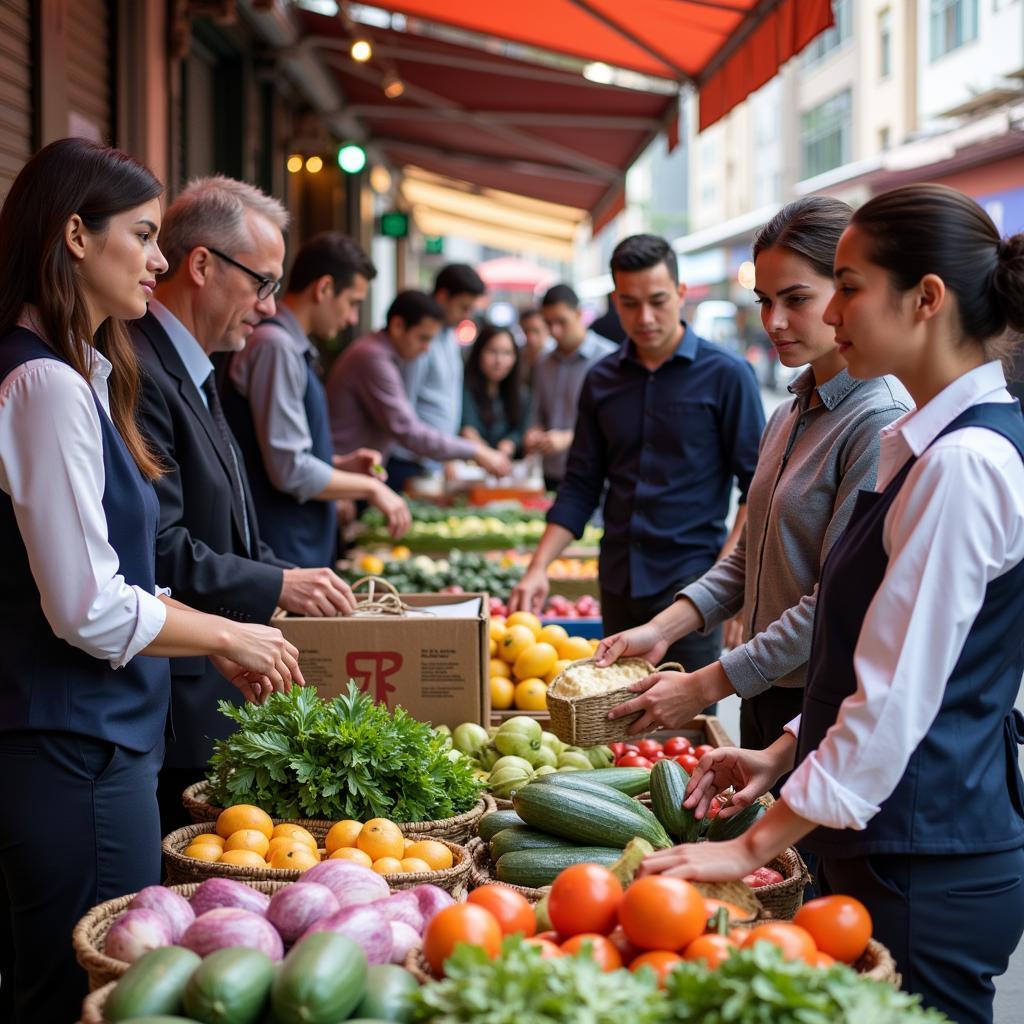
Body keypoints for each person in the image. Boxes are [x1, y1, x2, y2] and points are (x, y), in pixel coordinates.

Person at [643, 184, 1024, 1024]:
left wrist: (747, 848)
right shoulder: (923, 444)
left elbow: (894, 696)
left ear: (926, 298)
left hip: (927, 856)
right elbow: (879, 656)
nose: (828, 311)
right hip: (894, 840)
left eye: (845, 286)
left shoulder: (965, 464)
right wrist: (785, 750)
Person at [0, 139, 301, 1024]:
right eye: (142, 233)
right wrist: (226, 634)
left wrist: (210, 635)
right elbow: (86, 606)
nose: (161, 258)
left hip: (83, 741)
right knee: (89, 990)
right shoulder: (45, 384)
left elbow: (110, 576)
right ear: (77, 238)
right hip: (74, 748)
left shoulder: (81, 373)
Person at [595, 198, 911, 758]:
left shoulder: (878, 420)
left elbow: (836, 602)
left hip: (825, 709)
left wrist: (705, 683)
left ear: (847, 293)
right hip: (765, 694)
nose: (774, 322)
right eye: (765, 302)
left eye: (796, 299)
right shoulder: (788, 413)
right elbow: (747, 558)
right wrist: (662, 630)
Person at [129, 178, 346, 831]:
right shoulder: (140, 368)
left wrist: (277, 580)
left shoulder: (197, 365)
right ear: (201, 266)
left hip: (212, 679)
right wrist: (277, 580)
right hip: (177, 697)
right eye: (263, 282)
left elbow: (222, 521)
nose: (269, 306)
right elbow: (158, 546)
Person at [510, 236, 764, 676]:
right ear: (614, 302)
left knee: (684, 735)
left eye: (658, 301)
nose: (644, 318)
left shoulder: (727, 375)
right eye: (630, 304)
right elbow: (581, 484)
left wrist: (725, 581)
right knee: (617, 729)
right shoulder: (601, 379)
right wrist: (538, 567)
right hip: (617, 581)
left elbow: (757, 487)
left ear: (682, 294)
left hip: (692, 588)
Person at [221, 231, 409, 568]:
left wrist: (338, 464)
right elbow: (289, 469)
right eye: (352, 302)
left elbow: (279, 453)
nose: (353, 318)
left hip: (296, 542)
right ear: (323, 289)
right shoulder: (274, 346)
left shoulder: (288, 347)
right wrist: (369, 488)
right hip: (280, 547)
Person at [327, 290, 512, 479]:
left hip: (354, 474)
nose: (426, 348)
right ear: (398, 326)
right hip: (341, 474)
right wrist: (475, 451)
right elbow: (407, 428)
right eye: (423, 338)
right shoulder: (373, 357)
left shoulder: (385, 354)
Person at [387, 263, 486, 491]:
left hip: (434, 461)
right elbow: (405, 408)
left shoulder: (450, 337)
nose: (467, 316)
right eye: (463, 307)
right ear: (442, 297)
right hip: (408, 461)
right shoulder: (420, 340)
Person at [524, 283, 617, 490]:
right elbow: (538, 413)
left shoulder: (609, 358)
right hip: (552, 472)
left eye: (561, 322)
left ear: (579, 314)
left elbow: (616, 424)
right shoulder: (542, 363)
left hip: (596, 475)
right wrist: (535, 432)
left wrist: (567, 438)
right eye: (549, 323)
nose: (555, 331)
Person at [461, 324, 531, 458]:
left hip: (506, 467)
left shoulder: (522, 395)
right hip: (469, 464)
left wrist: (509, 443)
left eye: (507, 353)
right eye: (492, 351)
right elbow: (467, 429)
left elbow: (521, 431)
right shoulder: (464, 389)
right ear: (478, 353)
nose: (499, 361)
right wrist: (488, 455)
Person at [518, 305, 553, 377]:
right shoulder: (518, 354)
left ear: (548, 329)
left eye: (536, 331)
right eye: (526, 331)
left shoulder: (555, 357)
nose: (531, 338)